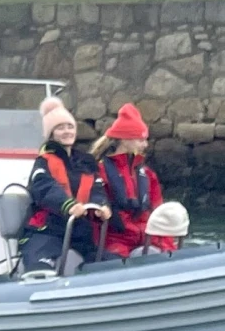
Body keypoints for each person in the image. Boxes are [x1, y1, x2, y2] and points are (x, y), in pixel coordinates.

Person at [19, 96, 112, 274]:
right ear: (51, 134)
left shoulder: (85, 163)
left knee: (111, 263)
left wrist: (102, 206)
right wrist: (69, 206)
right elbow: (44, 188)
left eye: (70, 126)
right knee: (39, 267)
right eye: (60, 128)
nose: (67, 131)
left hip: (79, 233)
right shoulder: (43, 162)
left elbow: (96, 189)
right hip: (47, 231)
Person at [90, 102, 169, 258]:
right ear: (125, 140)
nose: (145, 145)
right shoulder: (99, 171)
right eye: (140, 140)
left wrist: (167, 247)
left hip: (145, 239)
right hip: (114, 241)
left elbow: (157, 212)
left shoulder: (147, 174)